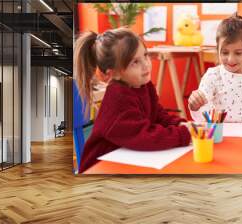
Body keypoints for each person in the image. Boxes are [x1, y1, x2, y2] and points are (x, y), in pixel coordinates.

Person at [74, 28, 191, 173]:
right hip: (100, 169)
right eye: (135, 62)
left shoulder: (143, 85)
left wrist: (180, 123)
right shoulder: (117, 99)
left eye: (145, 55)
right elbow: (144, 136)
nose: (146, 64)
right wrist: (183, 134)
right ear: (113, 74)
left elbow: (158, 115)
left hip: (127, 159)